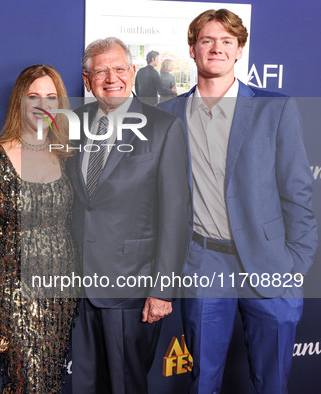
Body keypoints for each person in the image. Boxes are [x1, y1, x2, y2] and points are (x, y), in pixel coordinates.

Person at [158, 9, 317, 394]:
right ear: (192, 49)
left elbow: (298, 191)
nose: (216, 48)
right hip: (204, 261)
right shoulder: (168, 115)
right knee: (203, 382)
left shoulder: (274, 108)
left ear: (240, 50)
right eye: (207, 40)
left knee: (272, 383)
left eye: (226, 41)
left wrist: (295, 263)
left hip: (271, 261)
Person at [67, 37, 190, 394]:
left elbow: (174, 215)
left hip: (131, 288)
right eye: (101, 71)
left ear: (133, 72)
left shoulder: (163, 127)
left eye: (119, 68)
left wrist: (163, 290)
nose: (111, 78)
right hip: (77, 286)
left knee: (125, 385)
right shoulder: (72, 124)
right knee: (85, 385)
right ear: (87, 80)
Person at [0, 65, 78, 393]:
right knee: (27, 382)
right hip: (14, 290)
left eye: (50, 96)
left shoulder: (67, 156)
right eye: (34, 97)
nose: (42, 104)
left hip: (62, 290)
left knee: (50, 380)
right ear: (19, 102)